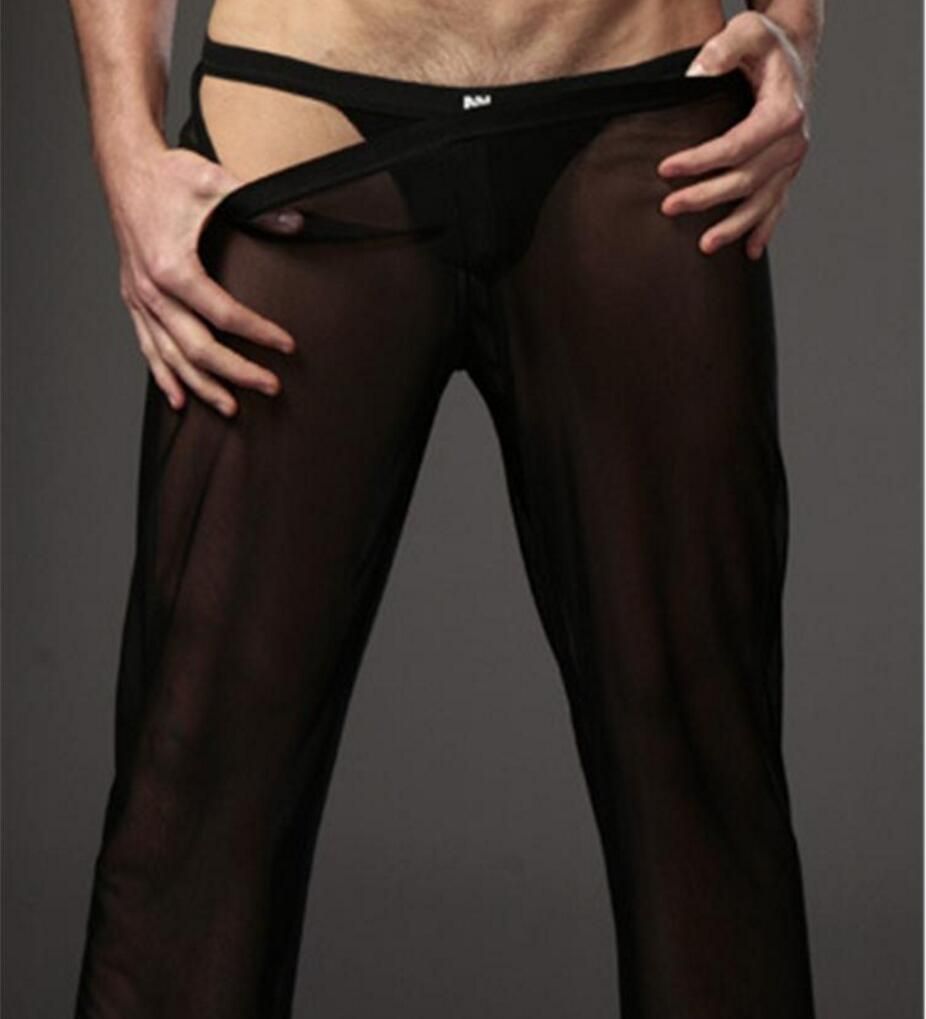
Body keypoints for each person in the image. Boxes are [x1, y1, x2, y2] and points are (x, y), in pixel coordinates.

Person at [66, 0, 824, 1013]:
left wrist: (794, 31)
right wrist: (124, 141)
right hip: (303, 116)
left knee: (703, 768)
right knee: (198, 780)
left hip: (639, 106)